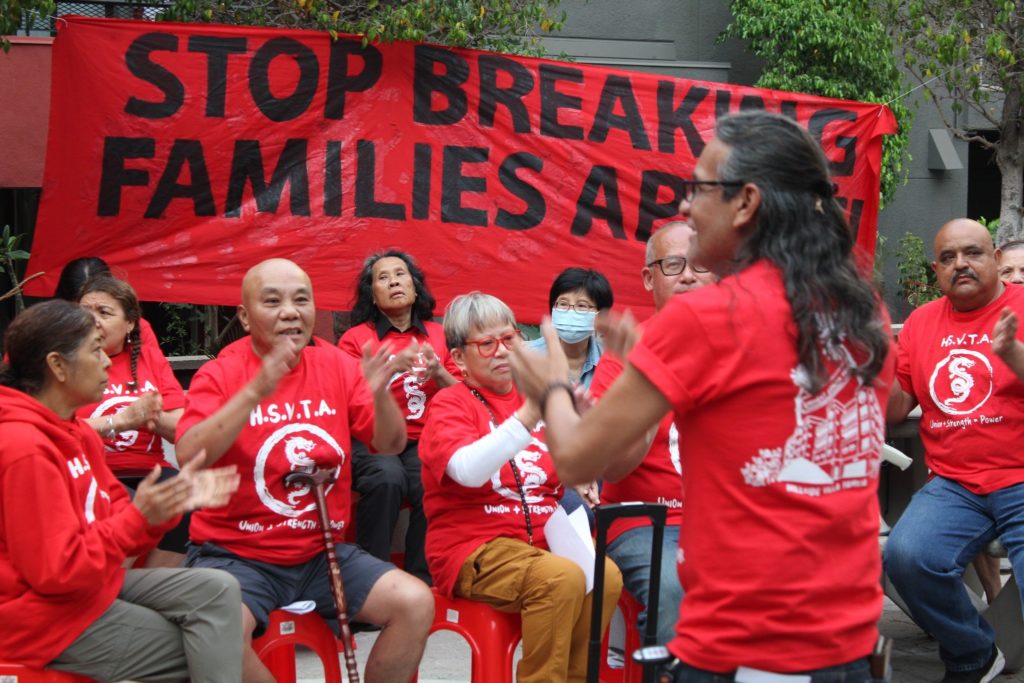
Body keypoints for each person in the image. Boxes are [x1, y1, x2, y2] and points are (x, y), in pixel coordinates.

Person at [510, 111, 894, 682]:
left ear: (746, 204)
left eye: (699, 188)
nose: (687, 207)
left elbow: (575, 458)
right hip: (848, 643)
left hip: (746, 652)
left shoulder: (709, 318)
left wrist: (551, 387)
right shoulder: (863, 310)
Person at [176, 258, 433, 683]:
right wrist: (256, 390)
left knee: (415, 601)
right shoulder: (220, 372)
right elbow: (189, 454)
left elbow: (389, 444)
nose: (291, 311)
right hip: (236, 556)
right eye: (272, 302)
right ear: (244, 316)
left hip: (321, 552)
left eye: (301, 300)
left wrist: (381, 394)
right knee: (220, 633)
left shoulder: (337, 365)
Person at [0, 299, 242, 681]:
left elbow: (115, 509)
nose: (108, 362)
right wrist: (138, 517)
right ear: (57, 366)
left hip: (89, 590)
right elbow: (57, 572)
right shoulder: (24, 448)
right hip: (43, 620)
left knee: (218, 589)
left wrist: (164, 507)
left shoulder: (76, 432)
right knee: (211, 646)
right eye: (95, 350)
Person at [419, 291, 622, 683]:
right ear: (459, 358)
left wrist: (579, 452)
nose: (502, 351)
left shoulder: (531, 398)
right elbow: (467, 470)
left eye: (509, 339)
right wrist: (533, 411)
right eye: (486, 343)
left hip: (541, 542)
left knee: (606, 575)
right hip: (474, 546)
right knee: (561, 578)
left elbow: (564, 460)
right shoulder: (451, 403)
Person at [885, 218, 1024, 683]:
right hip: (955, 484)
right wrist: (870, 356)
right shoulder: (922, 322)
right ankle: (973, 654)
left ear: (997, 261)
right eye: (948, 258)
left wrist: (1014, 357)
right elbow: (896, 408)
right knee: (906, 556)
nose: (960, 264)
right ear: (936, 269)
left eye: (972, 253)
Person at [591, 220, 714, 647]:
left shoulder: (741, 347)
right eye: (674, 264)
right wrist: (648, 390)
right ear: (648, 278)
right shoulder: (623, 358)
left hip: (723, 519)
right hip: (643, 521)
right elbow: (611, 465)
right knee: (675, 589)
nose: (688, 276)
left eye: (699, 264)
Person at [338, 250, 457, 584]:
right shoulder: (356, 340)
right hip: (372, 439)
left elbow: (463, 392)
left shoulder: (439, 335)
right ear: (372, 296)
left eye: (400, 274)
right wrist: (390, 367)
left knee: (428, 481)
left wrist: (438, 373)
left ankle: (422, 582)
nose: (393, 282)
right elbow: (348, 396)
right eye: (383, 277)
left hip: (425, 439)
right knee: (386, 478)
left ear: (415, 287)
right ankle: (373, 583)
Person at [73, 274, 189, 567]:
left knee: (185, 494)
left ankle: (151, 585)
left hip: (147, 467)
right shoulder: (67, 361)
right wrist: (121, 420)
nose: (93, 320)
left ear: (130, 324)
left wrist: (151, 417)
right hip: (90, 470)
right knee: (127, 505)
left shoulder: (148, 358)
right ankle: (110, 589)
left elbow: (183, 429)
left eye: (104, 312)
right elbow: (52, 427)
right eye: (85, 311)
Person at [527, 267, 613, 390]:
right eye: (563, 304)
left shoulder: (611, 361)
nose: (571, 311)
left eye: (582, 305)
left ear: (600, 315)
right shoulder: (528, 356)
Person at [55, 256, 159, 348]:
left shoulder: (137, 327)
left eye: (103, 311)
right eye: (82, 309)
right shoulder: (50, 330)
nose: (93, 321)